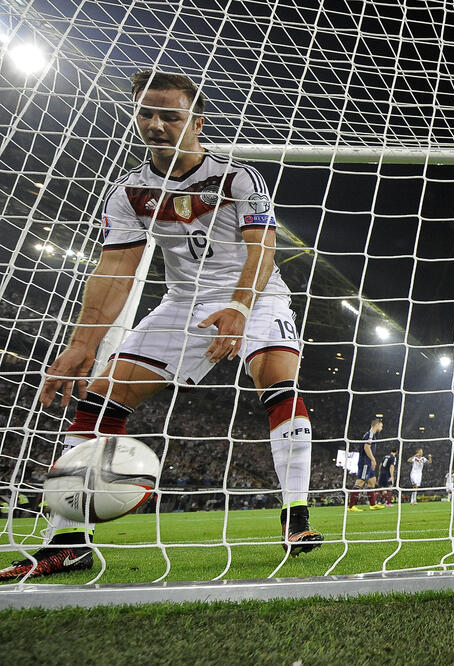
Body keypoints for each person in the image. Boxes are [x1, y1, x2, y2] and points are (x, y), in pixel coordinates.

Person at [2, 71, 322, 582]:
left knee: (276, 376)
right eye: (146, 114)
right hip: (182, 304)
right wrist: (82, 343)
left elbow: (263, 248)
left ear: (196, 122)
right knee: (98, 399)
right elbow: (115, 270)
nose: (156, 124)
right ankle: (66, 542)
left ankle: (296, 516)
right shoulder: (129, 192)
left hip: (255, 295)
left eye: (169, 115)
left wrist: (240, 307)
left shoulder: (237, 178)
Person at [348, 418, 385, 512]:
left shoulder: (370, 434)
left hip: (367, 462)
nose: (381, 428)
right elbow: (366, 447)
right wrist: (373, 460)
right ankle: (351, 506)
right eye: (381, 426)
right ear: (377, 425)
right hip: (365, 462)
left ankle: (372, 505)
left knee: (372, 481)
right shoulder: (370, 435)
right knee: (360, 482)